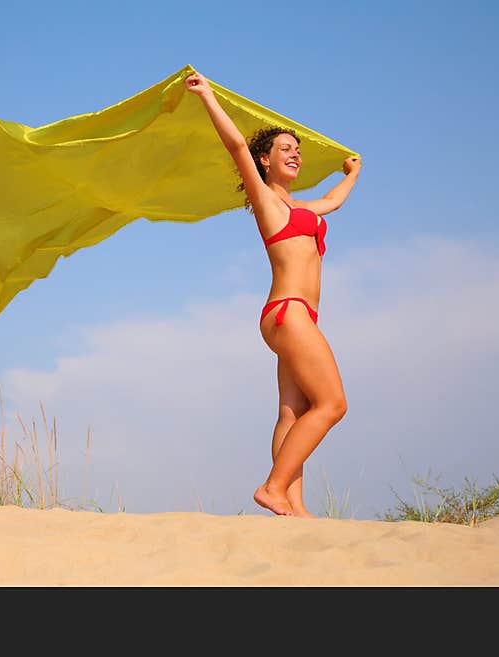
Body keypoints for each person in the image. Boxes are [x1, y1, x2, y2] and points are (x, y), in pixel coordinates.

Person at [185, 70, 361, 517]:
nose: (295, 154)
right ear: (265, 160)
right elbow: (237, 146)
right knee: (332, 404)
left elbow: (335, 202)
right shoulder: (267, 201)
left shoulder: (302, 207)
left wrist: (353, 173)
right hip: (289, 312)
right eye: (285, 148)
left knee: (292, 412)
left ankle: (294, 506)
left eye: (297, 149)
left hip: (293, 316)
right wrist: (207, 96)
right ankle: (273, 486)